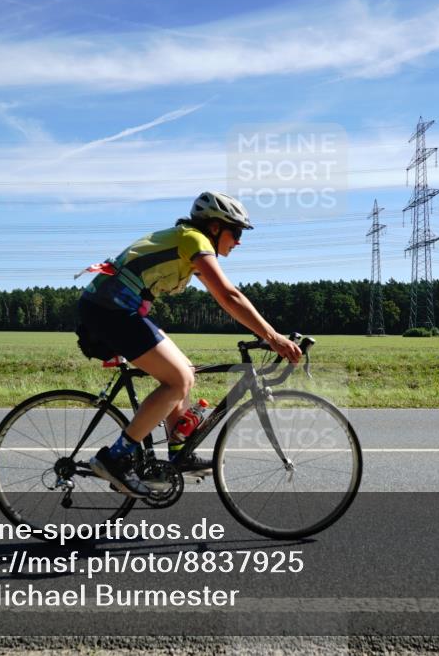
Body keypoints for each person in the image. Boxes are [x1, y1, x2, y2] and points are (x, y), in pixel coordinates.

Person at [77, 191, 302, 497]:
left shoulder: (189, 245)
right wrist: (272, 337)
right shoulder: (193, 240)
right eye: (235, 232)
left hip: (115, 310)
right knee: (178, 379)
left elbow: (224, 299)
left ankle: (178, 454)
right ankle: (115, 457)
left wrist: (267, 334)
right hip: (110, 310)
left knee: (185, 371)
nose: (238, 241)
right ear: (214, 227)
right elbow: (229, 296)